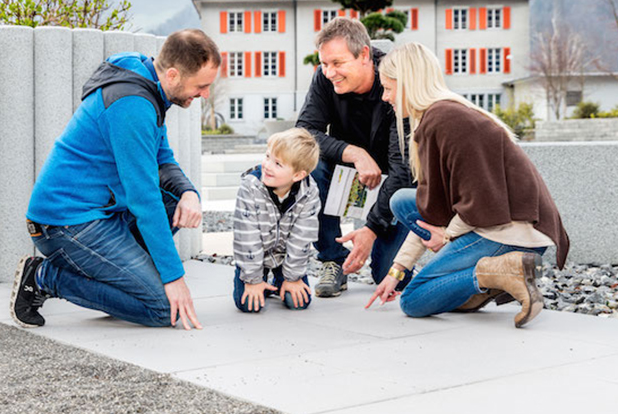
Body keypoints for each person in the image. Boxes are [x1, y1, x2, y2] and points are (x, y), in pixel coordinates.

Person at [10, 29, 220, 330]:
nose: (205, 95)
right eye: (201, 86)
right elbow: (144, 198)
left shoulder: (148, 84)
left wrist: (189, 192)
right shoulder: (132, 105)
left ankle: (126, 285)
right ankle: (44, 277)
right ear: (173, 75)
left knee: (176, 201)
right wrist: (174, 278)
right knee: (160, 309)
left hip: (102, 212)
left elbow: (162, 159)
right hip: (66, 224)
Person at [368, 42, 569, 328]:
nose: (385, 98)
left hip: (513, 233)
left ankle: (500, 273)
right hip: (496, 223)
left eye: (388, 88)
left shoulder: (447, 120)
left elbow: (483, 199)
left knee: (413, 300)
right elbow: (431, 209)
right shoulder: (440, 116)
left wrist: (447, 237)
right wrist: (397, 271)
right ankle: (485, 284)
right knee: (401, 200)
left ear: (408, 83)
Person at [296, 17, 413, 298]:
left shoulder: (395, 82)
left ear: (364, 55)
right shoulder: (324, 78)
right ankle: (331, 259)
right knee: (309, 161)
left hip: (393, 184)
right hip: (344, 174)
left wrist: (371, 229)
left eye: (337, 63)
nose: (329, 72)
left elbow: (403, 170)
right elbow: (304, 133)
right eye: (324, 64)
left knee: (388, 275)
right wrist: (354, 153)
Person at [232, 128, 321, 313]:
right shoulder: (250, 187)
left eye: (278, 164)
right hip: (255, 256)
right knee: (248, 304)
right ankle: (262, 280)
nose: (267, 165)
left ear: (298, 175)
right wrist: (253, 280)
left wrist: (293, 277)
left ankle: (279, 280)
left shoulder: (309, 193)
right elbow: (246, 237)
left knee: (298, 303)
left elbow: (303, 237)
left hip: (284, 257)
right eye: (267, 157)